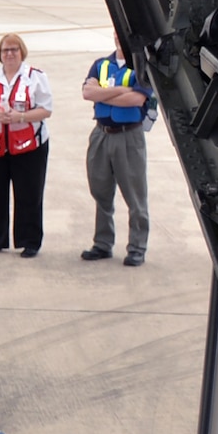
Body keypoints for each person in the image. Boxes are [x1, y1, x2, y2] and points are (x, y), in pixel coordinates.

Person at [0, 33, 52, 258]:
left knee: (29, 194)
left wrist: (20, 117)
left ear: (22, 52)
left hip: (29, 146)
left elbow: (46, 109)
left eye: (14, 49)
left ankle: (30, 241)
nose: (9, 54)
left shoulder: (35, 77)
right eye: (6, 50)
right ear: (0, 54)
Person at [81, 36, 149, 266]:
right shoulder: (101, 64)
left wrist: (103, 93)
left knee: (135, 195)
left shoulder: (140, 66)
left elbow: (137, 99)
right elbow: (87, 93)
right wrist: (120, 90)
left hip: (128, 136)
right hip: (101, 133)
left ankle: (137, 248)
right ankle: (102, 243)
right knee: (100, 190)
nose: (120, 40)